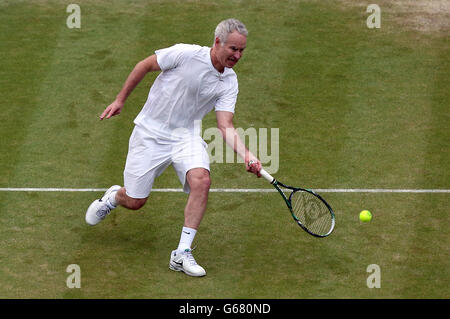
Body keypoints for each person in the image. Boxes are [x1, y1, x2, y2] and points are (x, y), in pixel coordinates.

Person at [85, 18, 262, 277]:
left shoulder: (229, 82)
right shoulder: (186, 53)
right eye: (233, 49)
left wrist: (248, 156)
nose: (237, 55)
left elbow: (225, 125)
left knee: (201, 180)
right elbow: (144, 65)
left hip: (186, 137)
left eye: (242, 51)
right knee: (135, 202)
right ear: (217, 42)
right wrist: (120, 100)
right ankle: (114, 197)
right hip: (149, 133)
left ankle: (181, 254)